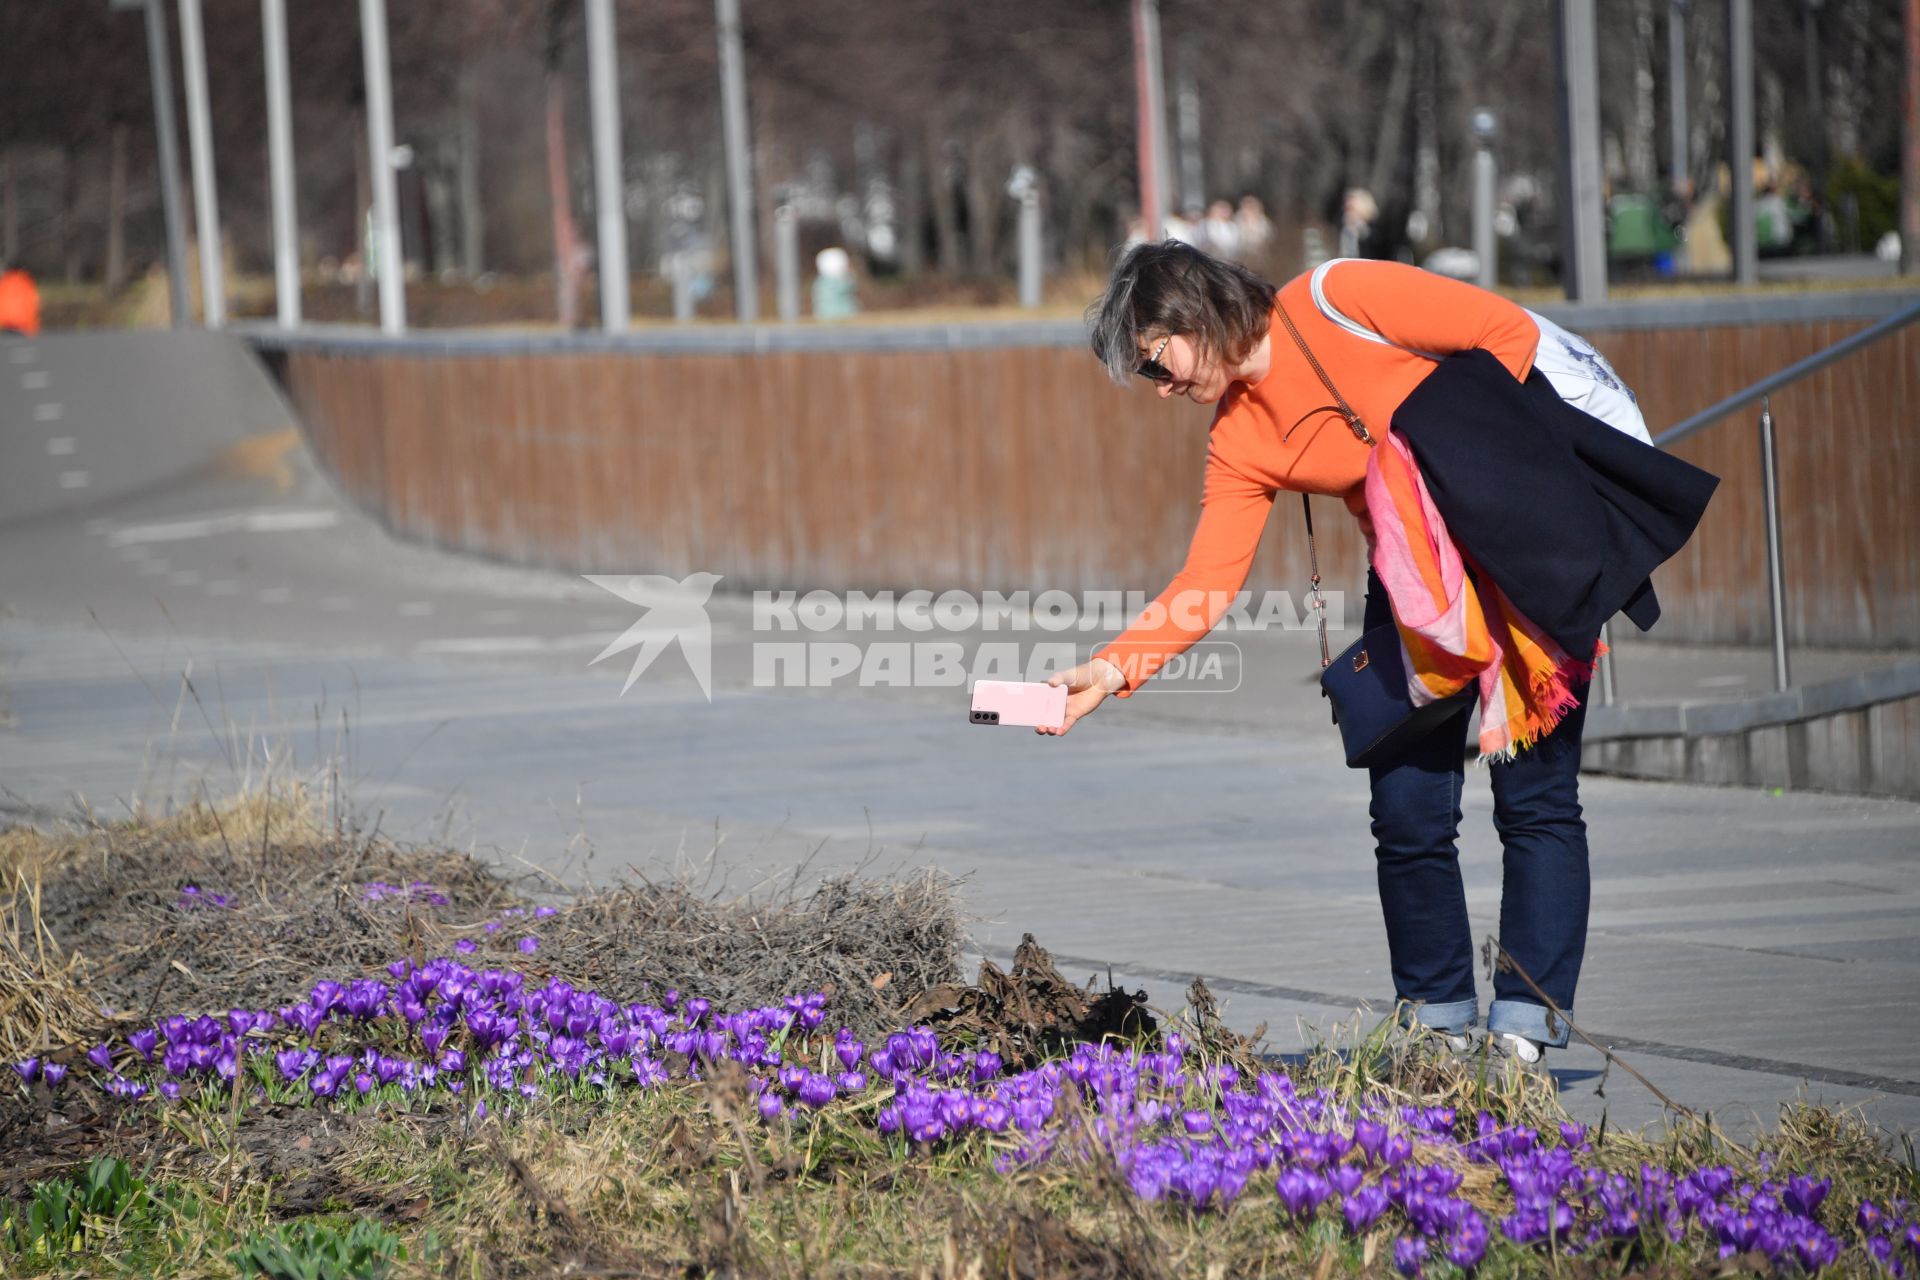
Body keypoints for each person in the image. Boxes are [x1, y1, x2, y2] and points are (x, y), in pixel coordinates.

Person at [1041, 242, 1712, 1064]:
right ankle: (1434, 1019)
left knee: (1534, 801)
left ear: (1193, 311)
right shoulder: (1238, 440)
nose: (1164, 387)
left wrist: (1476, 479)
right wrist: (1111, 669)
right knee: (1405, 810)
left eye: (1156, 363)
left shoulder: (1337, 296)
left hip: (1517, 559)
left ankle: (1525, 1029)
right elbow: (1207, 578)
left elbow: (1499, 331)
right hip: (1413, 593)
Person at [0, 263, 41, 338]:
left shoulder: (4, 282)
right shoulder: (25, 281)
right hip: (23, 325)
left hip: (6, 323)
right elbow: (34, 301)